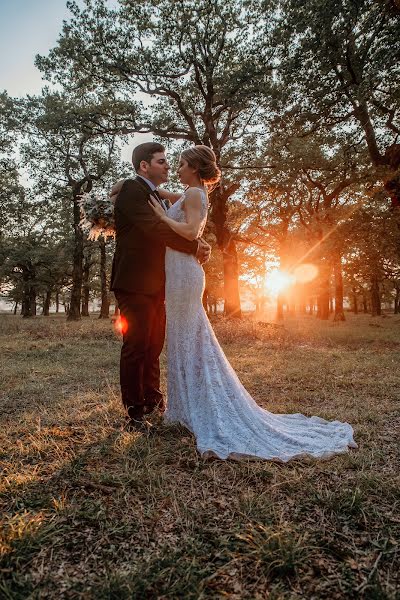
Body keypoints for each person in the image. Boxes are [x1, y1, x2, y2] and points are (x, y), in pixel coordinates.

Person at [148, 145, 357, 461]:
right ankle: (186, 408)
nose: (176, 168)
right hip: (178, 274)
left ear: (194, 167)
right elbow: (164, 193)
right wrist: (139, 188)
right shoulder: (190, 192)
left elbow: (190, 232)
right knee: (182, 339)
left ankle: (201, 408)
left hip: (185, 274)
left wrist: (162, 217)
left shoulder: (194, 195)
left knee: (190, 338)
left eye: (180, 164)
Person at [110, 142, 210, 432]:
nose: (168, 166)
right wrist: (195, 246)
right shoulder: (132, 190)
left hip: (160, 282)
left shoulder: (157, 196)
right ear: (145, 166)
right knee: (137, 345)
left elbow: (179, 217)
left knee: (154, 344)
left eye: (170, 162)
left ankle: (154, 400)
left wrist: (196, 243)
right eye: (162, 161)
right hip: (134, 281)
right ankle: (134, 413)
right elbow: (154, 229)